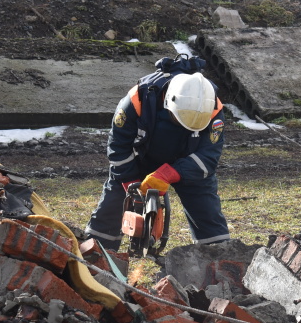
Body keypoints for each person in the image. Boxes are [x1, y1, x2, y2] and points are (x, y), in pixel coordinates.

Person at [84, 58, 230, 251]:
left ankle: (219, 258)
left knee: (207, 213)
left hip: (188, 163)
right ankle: (97, 255)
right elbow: (118, 146)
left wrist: (171, 173)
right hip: (140, 160)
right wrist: (129, 181)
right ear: (169, 102)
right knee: (111, 207)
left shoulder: (213, 107)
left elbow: (208, 157)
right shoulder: (139, 97)